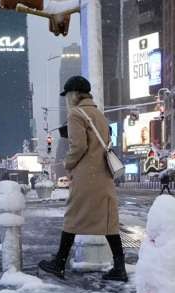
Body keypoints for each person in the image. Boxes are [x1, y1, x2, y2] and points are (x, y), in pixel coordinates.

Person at [38, 75, 127, 282]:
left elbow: (78, 147)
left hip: (87, 176)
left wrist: (68, 163)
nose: (66, 99)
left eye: (67, 94)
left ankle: (59, 263)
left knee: (73, 217)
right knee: (108, 221)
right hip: (103, 175)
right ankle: (119, 267)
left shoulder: (76, 114)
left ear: (74, 94)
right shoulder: (99, 115)